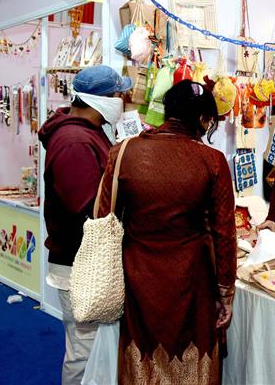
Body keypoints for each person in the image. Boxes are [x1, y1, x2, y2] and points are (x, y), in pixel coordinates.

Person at [96, 80, 236, 384]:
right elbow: (224, 233)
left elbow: (101, 216)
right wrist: (225, 293)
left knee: (141, 354)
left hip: (138, 276)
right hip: (192, 279)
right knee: (192, 357)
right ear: (202, 119)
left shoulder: (123, 152)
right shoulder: (212, 161)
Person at [38, 65, 131, 384]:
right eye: (119, 95)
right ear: (101, 100)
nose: (123, 101)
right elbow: (89, 208)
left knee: (92, 349)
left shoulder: (85, 133)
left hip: (85, 260)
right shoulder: (75, 141)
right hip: (81, 263)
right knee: (84, 351)